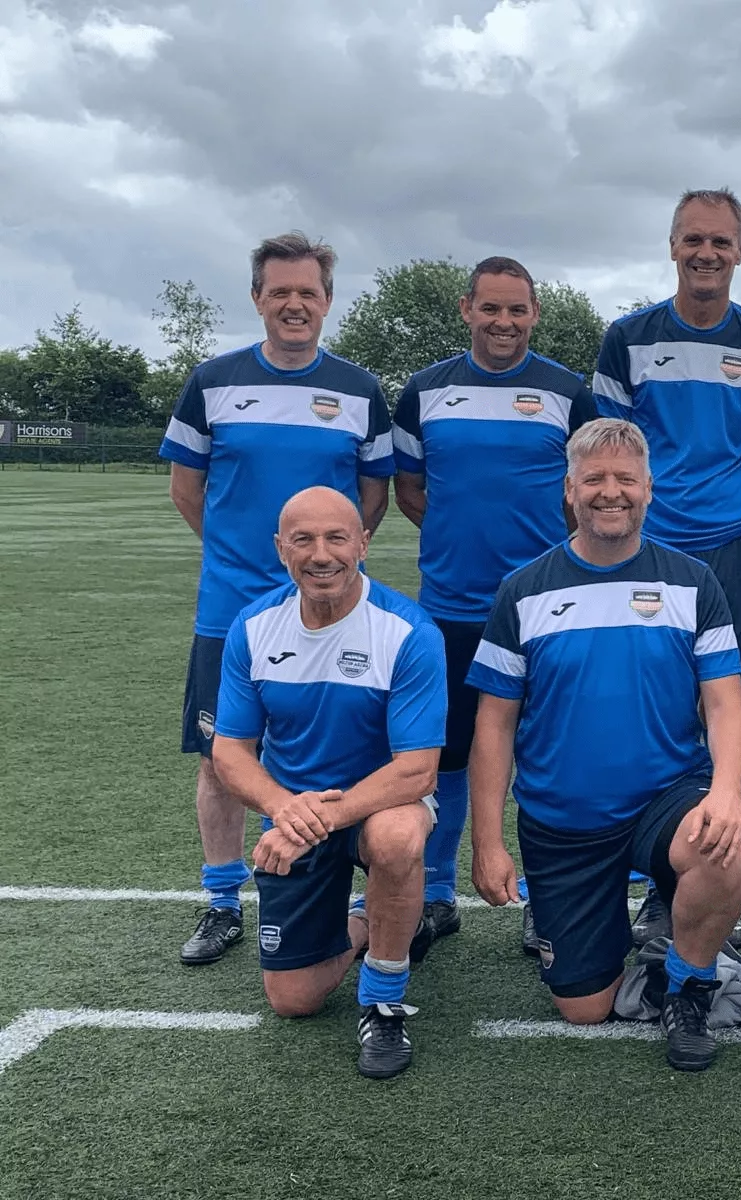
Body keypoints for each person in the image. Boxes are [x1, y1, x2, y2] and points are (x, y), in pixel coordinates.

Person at [467, 419, 741, 1072]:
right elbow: (493, 726)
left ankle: (688, 982)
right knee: (584, 1007)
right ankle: (650, 947)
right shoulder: (524, 590)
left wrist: (728, 793)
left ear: (649, 489)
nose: (610, 492)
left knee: (722, 845)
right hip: (563, 821)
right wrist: (487, 841)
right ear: (570, 490)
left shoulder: (692, 582)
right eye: (594, 478)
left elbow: (725, 701)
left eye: (625, 478)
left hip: (664, 797)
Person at [159, 233, 394, 967]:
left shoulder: (360, 390)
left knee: (356, 748)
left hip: (334, 606)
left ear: (327, 301)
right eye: (280, 292)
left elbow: (373, 495)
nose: (295, 304)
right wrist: (252, 562)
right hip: (232, 608)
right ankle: (224, 901)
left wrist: (321, 568)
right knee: (221, 756)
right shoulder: (213, 380)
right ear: (258, 297)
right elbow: (186, 489)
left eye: (309, 293)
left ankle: (361, 897)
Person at [593, 187, 741, 943]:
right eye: (693, 239)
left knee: (728, 706)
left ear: (740, 252)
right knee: (653, 701)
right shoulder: (628, 337)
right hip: (652, 546)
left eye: (721, 242)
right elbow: (610, 448)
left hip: (739, 541)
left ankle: (717, 869)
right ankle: (650, 876)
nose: (707, 253)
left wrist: (726, 504)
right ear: (672, 246)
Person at [391, 256, 596, 955]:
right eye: (491, 309)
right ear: (466, 309)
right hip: (449, 606)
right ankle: (436, 894)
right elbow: (412, 493)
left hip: (545, 608)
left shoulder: (570, 392)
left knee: (544, 756)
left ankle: (545, 898)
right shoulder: (424, 392)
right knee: (442, 757)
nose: (504, 322)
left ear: (535, 313)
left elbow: (588, 491)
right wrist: (460, 544)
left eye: (517, 310)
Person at [210, 487, 445, 1080]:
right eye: (303, 540)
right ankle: (374, 920)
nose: (321, 554)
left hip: (379, 802)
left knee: (396, 839)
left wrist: (318, 819)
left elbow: (416, 769)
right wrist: (283, 809)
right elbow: (230, 752)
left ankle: (384, 998)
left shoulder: (407, 631)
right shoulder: (253, 627)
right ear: (279, 549)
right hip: (296, 811)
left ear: (363, 542)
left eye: (337, 537)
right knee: (294, 1000)